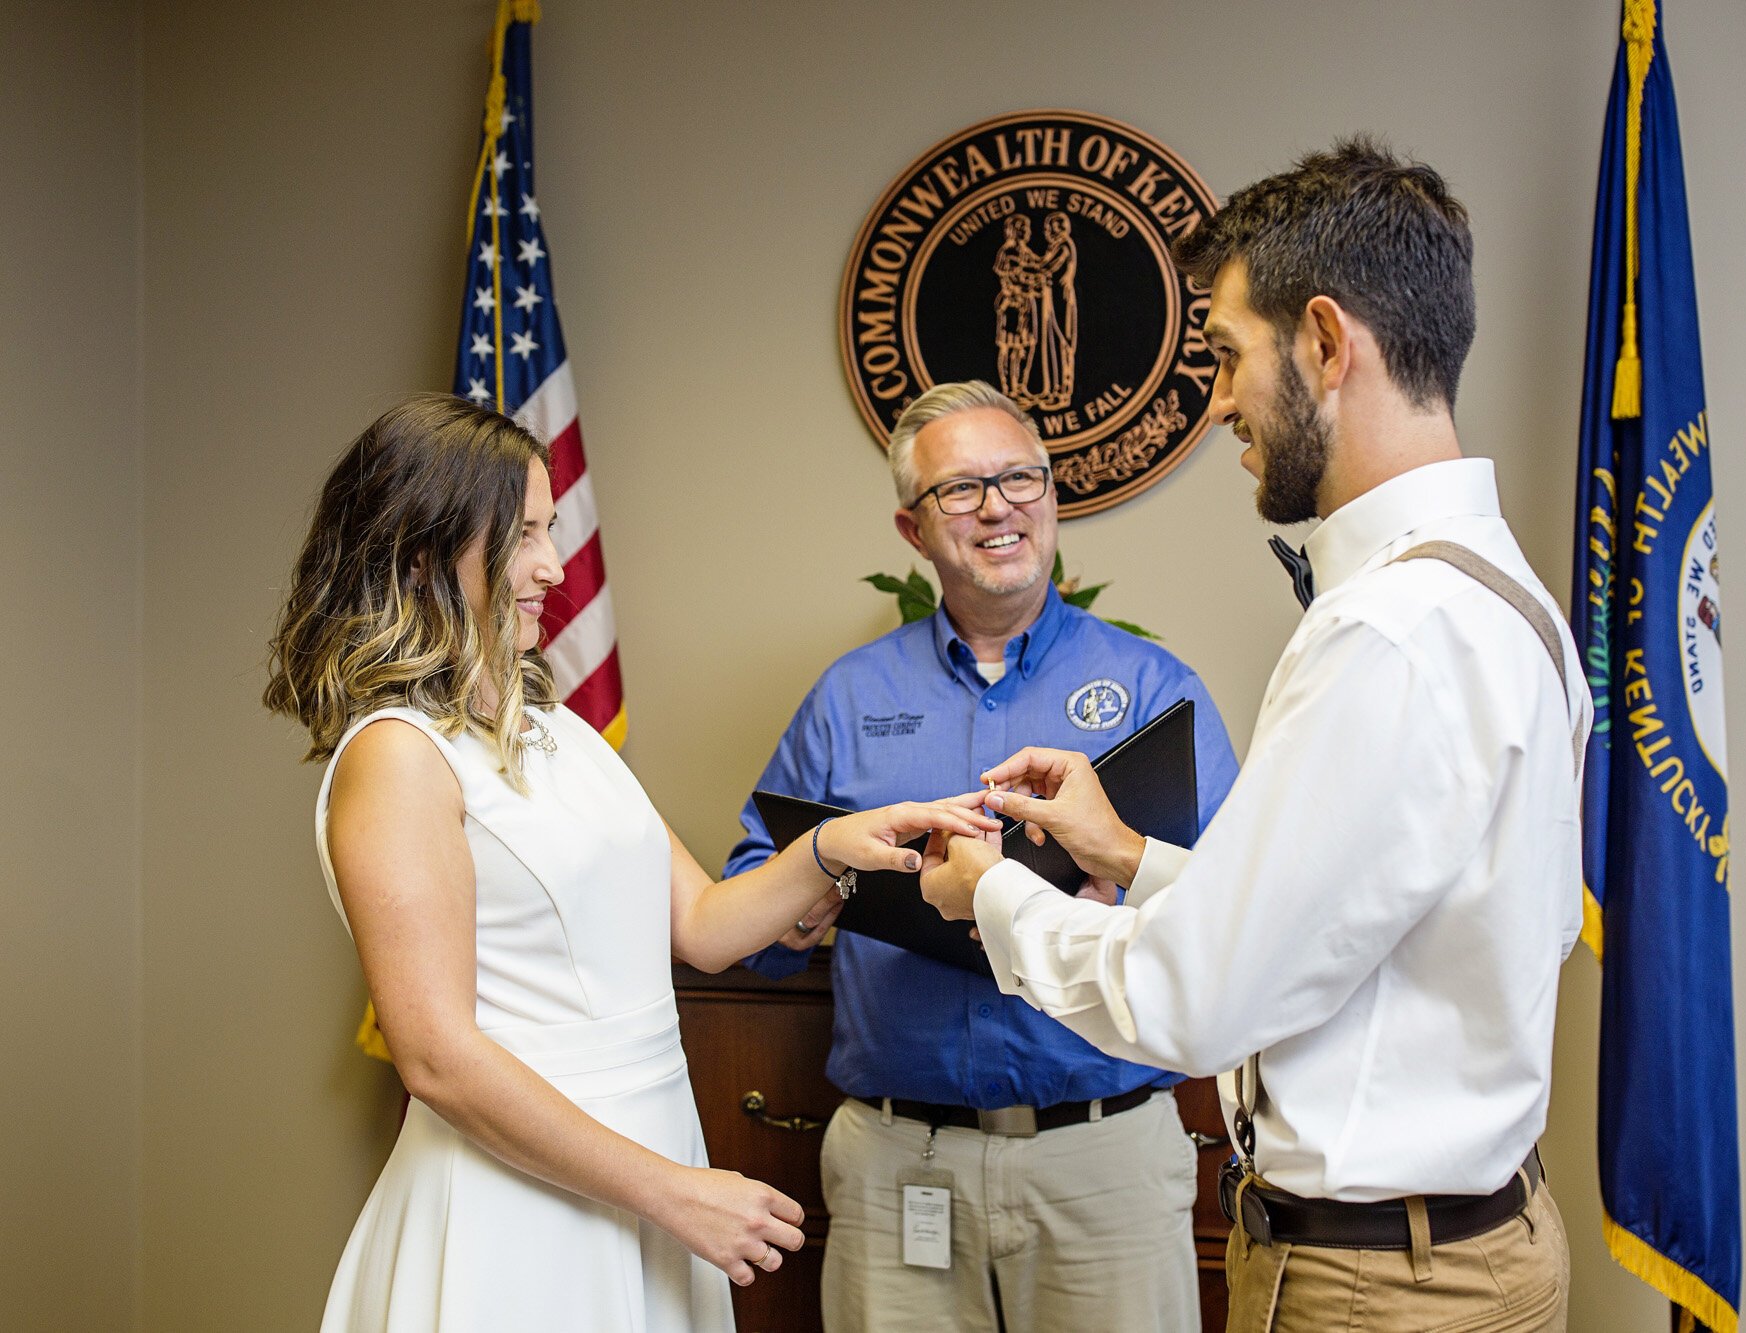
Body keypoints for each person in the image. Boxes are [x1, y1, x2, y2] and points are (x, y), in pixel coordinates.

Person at [920, 139, 1586, 1332]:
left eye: (1227, 355)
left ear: (1327, 344)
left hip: (1380, 1288)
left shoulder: (1385, 632)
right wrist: (1128, 855)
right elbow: (1367, 928)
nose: (1215, 398)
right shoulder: (1494, 592)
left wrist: (990, 900)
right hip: (1467, 1244)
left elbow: (1197, 1000)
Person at [263, 394, 999, 1332]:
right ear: (424, 552)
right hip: (517, 1205)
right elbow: (437, 1057)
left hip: (646, 1164)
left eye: (549, 529)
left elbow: (703, 926)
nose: (552, 565)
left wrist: (837, 844)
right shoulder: (399, 755)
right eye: (521, 534)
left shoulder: (560, 728)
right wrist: (674, 1192)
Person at [726, 379, 1238, 1332]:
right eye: (960, 489)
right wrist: (811, 899)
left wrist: (1121, 869)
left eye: (1020, 479)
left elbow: (1237, 913)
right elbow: (744, 912)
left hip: (1104, 1159)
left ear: (1052, 497)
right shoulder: (846, 697)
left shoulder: (1154, 688)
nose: (998, 506)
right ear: (913, 529)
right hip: (897, 1160)